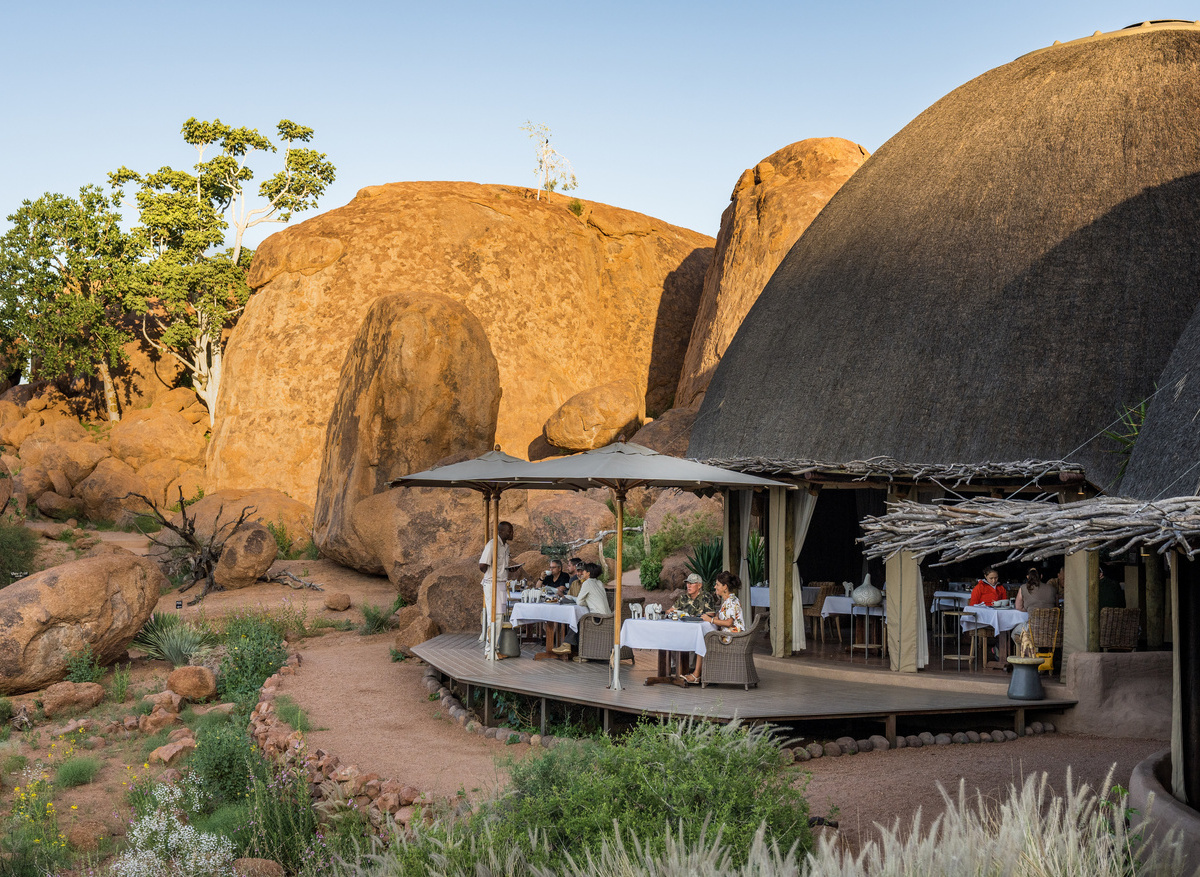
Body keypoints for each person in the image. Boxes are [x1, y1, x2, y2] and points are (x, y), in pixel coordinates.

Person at [685, 571, 745, 684]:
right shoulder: (727, 601)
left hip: (732, 639)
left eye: (717, 584)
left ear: (725, 587)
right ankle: (700, 673)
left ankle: (696, 674)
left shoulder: (731, 602)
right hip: (728, 635)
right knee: (704, 636)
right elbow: (722, 619)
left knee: (703, 639)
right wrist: (713, 618)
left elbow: (728, 623)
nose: (715, 587)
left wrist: (711, 620)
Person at [478, 521, 521, 651]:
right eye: (510, 531)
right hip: (492, 583)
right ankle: (489, 649)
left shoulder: (506, 547)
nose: (512, 533)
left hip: (502, 583)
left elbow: (502, 566)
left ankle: (495, 647)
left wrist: (507, 570)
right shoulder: (492, 545)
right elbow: (482, 565)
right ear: (501, 531)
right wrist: (492, 574)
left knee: (500, 617)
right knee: (494, 616)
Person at [555, 563, 609, 653]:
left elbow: (580, 601)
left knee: (578, 619)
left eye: (584, 571)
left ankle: (568, 645)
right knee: (579, 619)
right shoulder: (599, 582)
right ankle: (573, 648)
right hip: (608, 616)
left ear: (588, 573)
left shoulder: (587, 583)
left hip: (598, 617)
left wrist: (586, 602)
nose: (582, 572)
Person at [1011, 566, 1058, 644]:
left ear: (1027, 577)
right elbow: (1056, 606)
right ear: (1041, 576)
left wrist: (1030, 609)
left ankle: (1029, 654)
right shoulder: (1052, 588)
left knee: (1014, 633)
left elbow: (1018, 607)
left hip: (1032, 627)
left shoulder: (1023, 588)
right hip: (1051, 628)